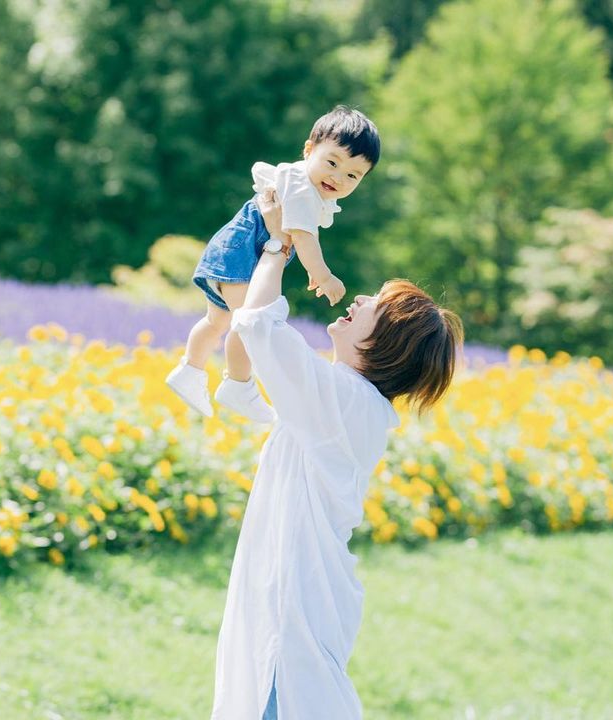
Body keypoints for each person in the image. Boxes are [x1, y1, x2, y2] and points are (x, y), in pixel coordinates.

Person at [209, 189, 464, 720]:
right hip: (300, 608)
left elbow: (255, 326)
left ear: (388, 342)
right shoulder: (347, 403)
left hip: (292, 619)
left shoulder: (345, 401)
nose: (358, 301)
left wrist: (279, 245)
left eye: (375, 306)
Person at [166, 106, 381, 424]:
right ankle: (238, 385)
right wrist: (323, 275)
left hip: (235, 251)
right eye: (332, 163)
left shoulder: (306, 187)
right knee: (248, 322)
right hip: (242, 252)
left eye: (352, 175)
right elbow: (304, 237)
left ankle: (189, 370)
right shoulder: (299, 187)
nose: (338, 177)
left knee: (218, 321)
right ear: (309, 149)